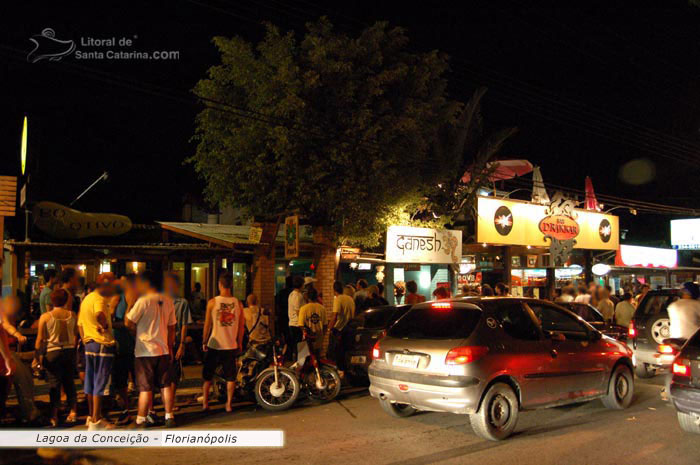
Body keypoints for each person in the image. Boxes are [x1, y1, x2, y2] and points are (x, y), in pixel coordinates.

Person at [125, 271, 177, 428]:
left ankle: (141, 418)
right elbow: (172, 327)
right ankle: (169, 416)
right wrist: (170, 346)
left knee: (145, 387)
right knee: (165, 384)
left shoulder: (143, 301)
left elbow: (128, 322)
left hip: (145, 350)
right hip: (163, 349)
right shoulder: (168, 300)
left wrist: (129, 305)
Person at [78, 272, 117, 430]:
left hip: (89, 343)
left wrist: (85, 339)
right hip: (101, 343)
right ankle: (96, 419)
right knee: (100, 382)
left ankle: (91, 416)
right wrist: (105, 326)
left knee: (90, 381)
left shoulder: (87, 298)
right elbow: (99, 314)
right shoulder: (99, 299)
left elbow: (80, 323)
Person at [201, 272, 245, 412]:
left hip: (214, 344)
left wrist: (204, 340)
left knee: (208, 376)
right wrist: (239, 342)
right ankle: (228, 404)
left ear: (219, 285)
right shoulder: (238, 304)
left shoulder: (212, 302)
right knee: (231, 376)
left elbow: (207, 325)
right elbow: (240, 327)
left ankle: (205, 403)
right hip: (230, 345)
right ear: (231, 285)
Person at [35, 288, 79, 427]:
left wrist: (37, 356)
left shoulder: (46, 317)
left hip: (52, 352)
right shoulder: (72, 315)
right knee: (69, 382)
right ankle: (73, 412)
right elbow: (76, 334)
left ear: (52, 300)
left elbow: (40, 339)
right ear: (66, 300)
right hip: (69, 351)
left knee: (54, 383)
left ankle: (54, 415)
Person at [111, 274, 137, 425]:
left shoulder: (131, 295)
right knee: (121, 378)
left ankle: (132, 410)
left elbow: (128, 321)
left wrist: (112, 324)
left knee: (128, 376)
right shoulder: (119, 295)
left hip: (129, 341)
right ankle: (127, 409)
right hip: (123, 341)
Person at [164, 272, 193, 406]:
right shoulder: (160, 301)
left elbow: (184, 325)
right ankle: (167, 405)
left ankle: (170, 403)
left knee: (174, 375)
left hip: (174, 342)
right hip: (163, 343)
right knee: (165, 375)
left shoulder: (182, 303)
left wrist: (182, 344)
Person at [328, 281, 355, 372]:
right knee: (346, 350)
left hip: (339, 328)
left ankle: (338, 370)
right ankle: (346, 370)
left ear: (334, 290)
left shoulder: (338, 299)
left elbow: (335, 315)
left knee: (335, 351)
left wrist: (330, 327)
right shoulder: (350, 299)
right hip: (350, 327)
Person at [298, 287, 327, 352]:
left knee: (304, 360)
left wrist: (305, 332)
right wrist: (322, 335)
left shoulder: (303, 308)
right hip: (318, 337)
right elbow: (325, 325)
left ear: (308, 297)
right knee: (318, 357)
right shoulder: (322, 308)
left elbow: (301, 324)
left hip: (307, 338)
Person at [287, 275, 305, 360]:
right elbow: (299, 312)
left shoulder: (291, 294)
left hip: (292, 323)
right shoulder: (297, 296)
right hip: (297, 324)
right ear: (301, 284)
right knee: (300, 346)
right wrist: (303, 324)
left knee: (296, 345)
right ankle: (300, 364)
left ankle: (297, 362)